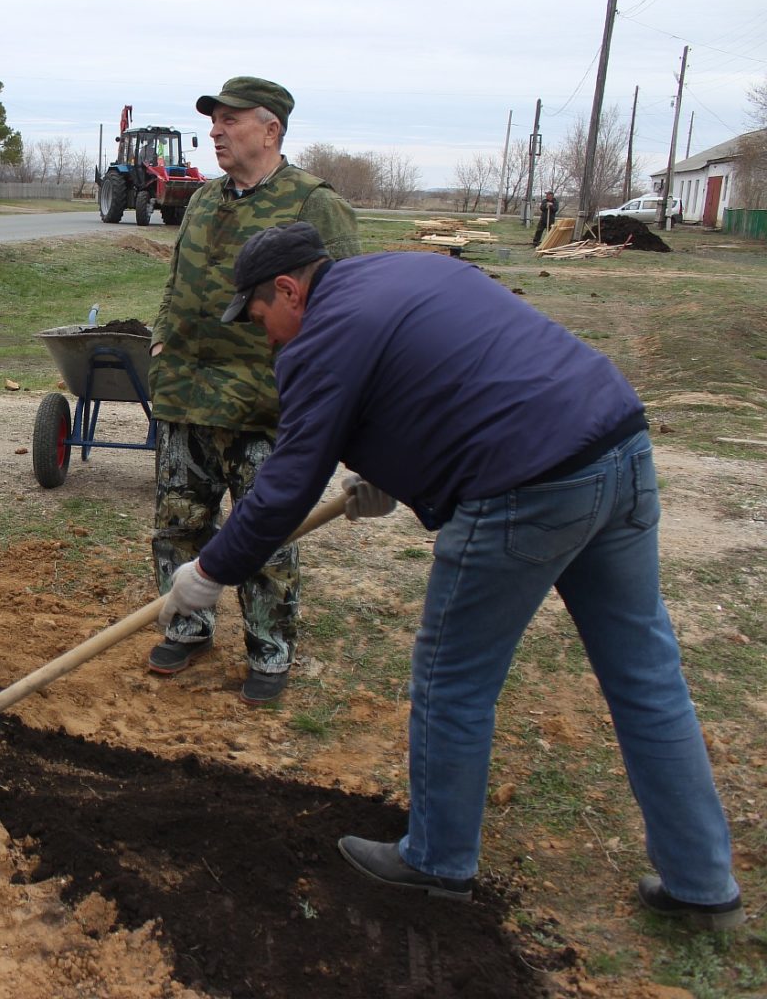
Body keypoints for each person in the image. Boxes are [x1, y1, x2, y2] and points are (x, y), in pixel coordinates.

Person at [161, 222, 743, 930]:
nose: (264, 333)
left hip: (525, 487)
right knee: (645, 675)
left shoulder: (319, 336)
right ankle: (702, 883)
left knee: (452, 680)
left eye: (258, 314)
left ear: (288, 289)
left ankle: (436, 859)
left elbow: (284, 487)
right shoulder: (409, 272)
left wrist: (210, 571)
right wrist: (384, 472)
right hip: (618, 446)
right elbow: (457, 378)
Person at [148, 76, 362, 705]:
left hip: (267, 406)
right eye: (214, 120)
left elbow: (346, 306)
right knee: (178, 525)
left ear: (271, 130)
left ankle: (270, 649)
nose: (215, 130)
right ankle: (187, 628)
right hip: (187, 397)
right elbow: (176, 281)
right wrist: (162, 341)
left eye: (231, 120)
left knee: (267, 537)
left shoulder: (314, 204)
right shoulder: (204, 200)